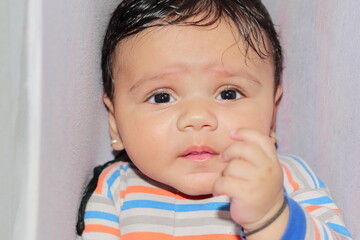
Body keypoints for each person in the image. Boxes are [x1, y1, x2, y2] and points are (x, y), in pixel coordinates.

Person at [76, 0, 352, 239]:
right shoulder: (115, 190)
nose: (197, 118)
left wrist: (271, 215)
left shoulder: (286, 179)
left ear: (272, 111)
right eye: (161, 97)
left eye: (228, 93)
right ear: (115, 122)